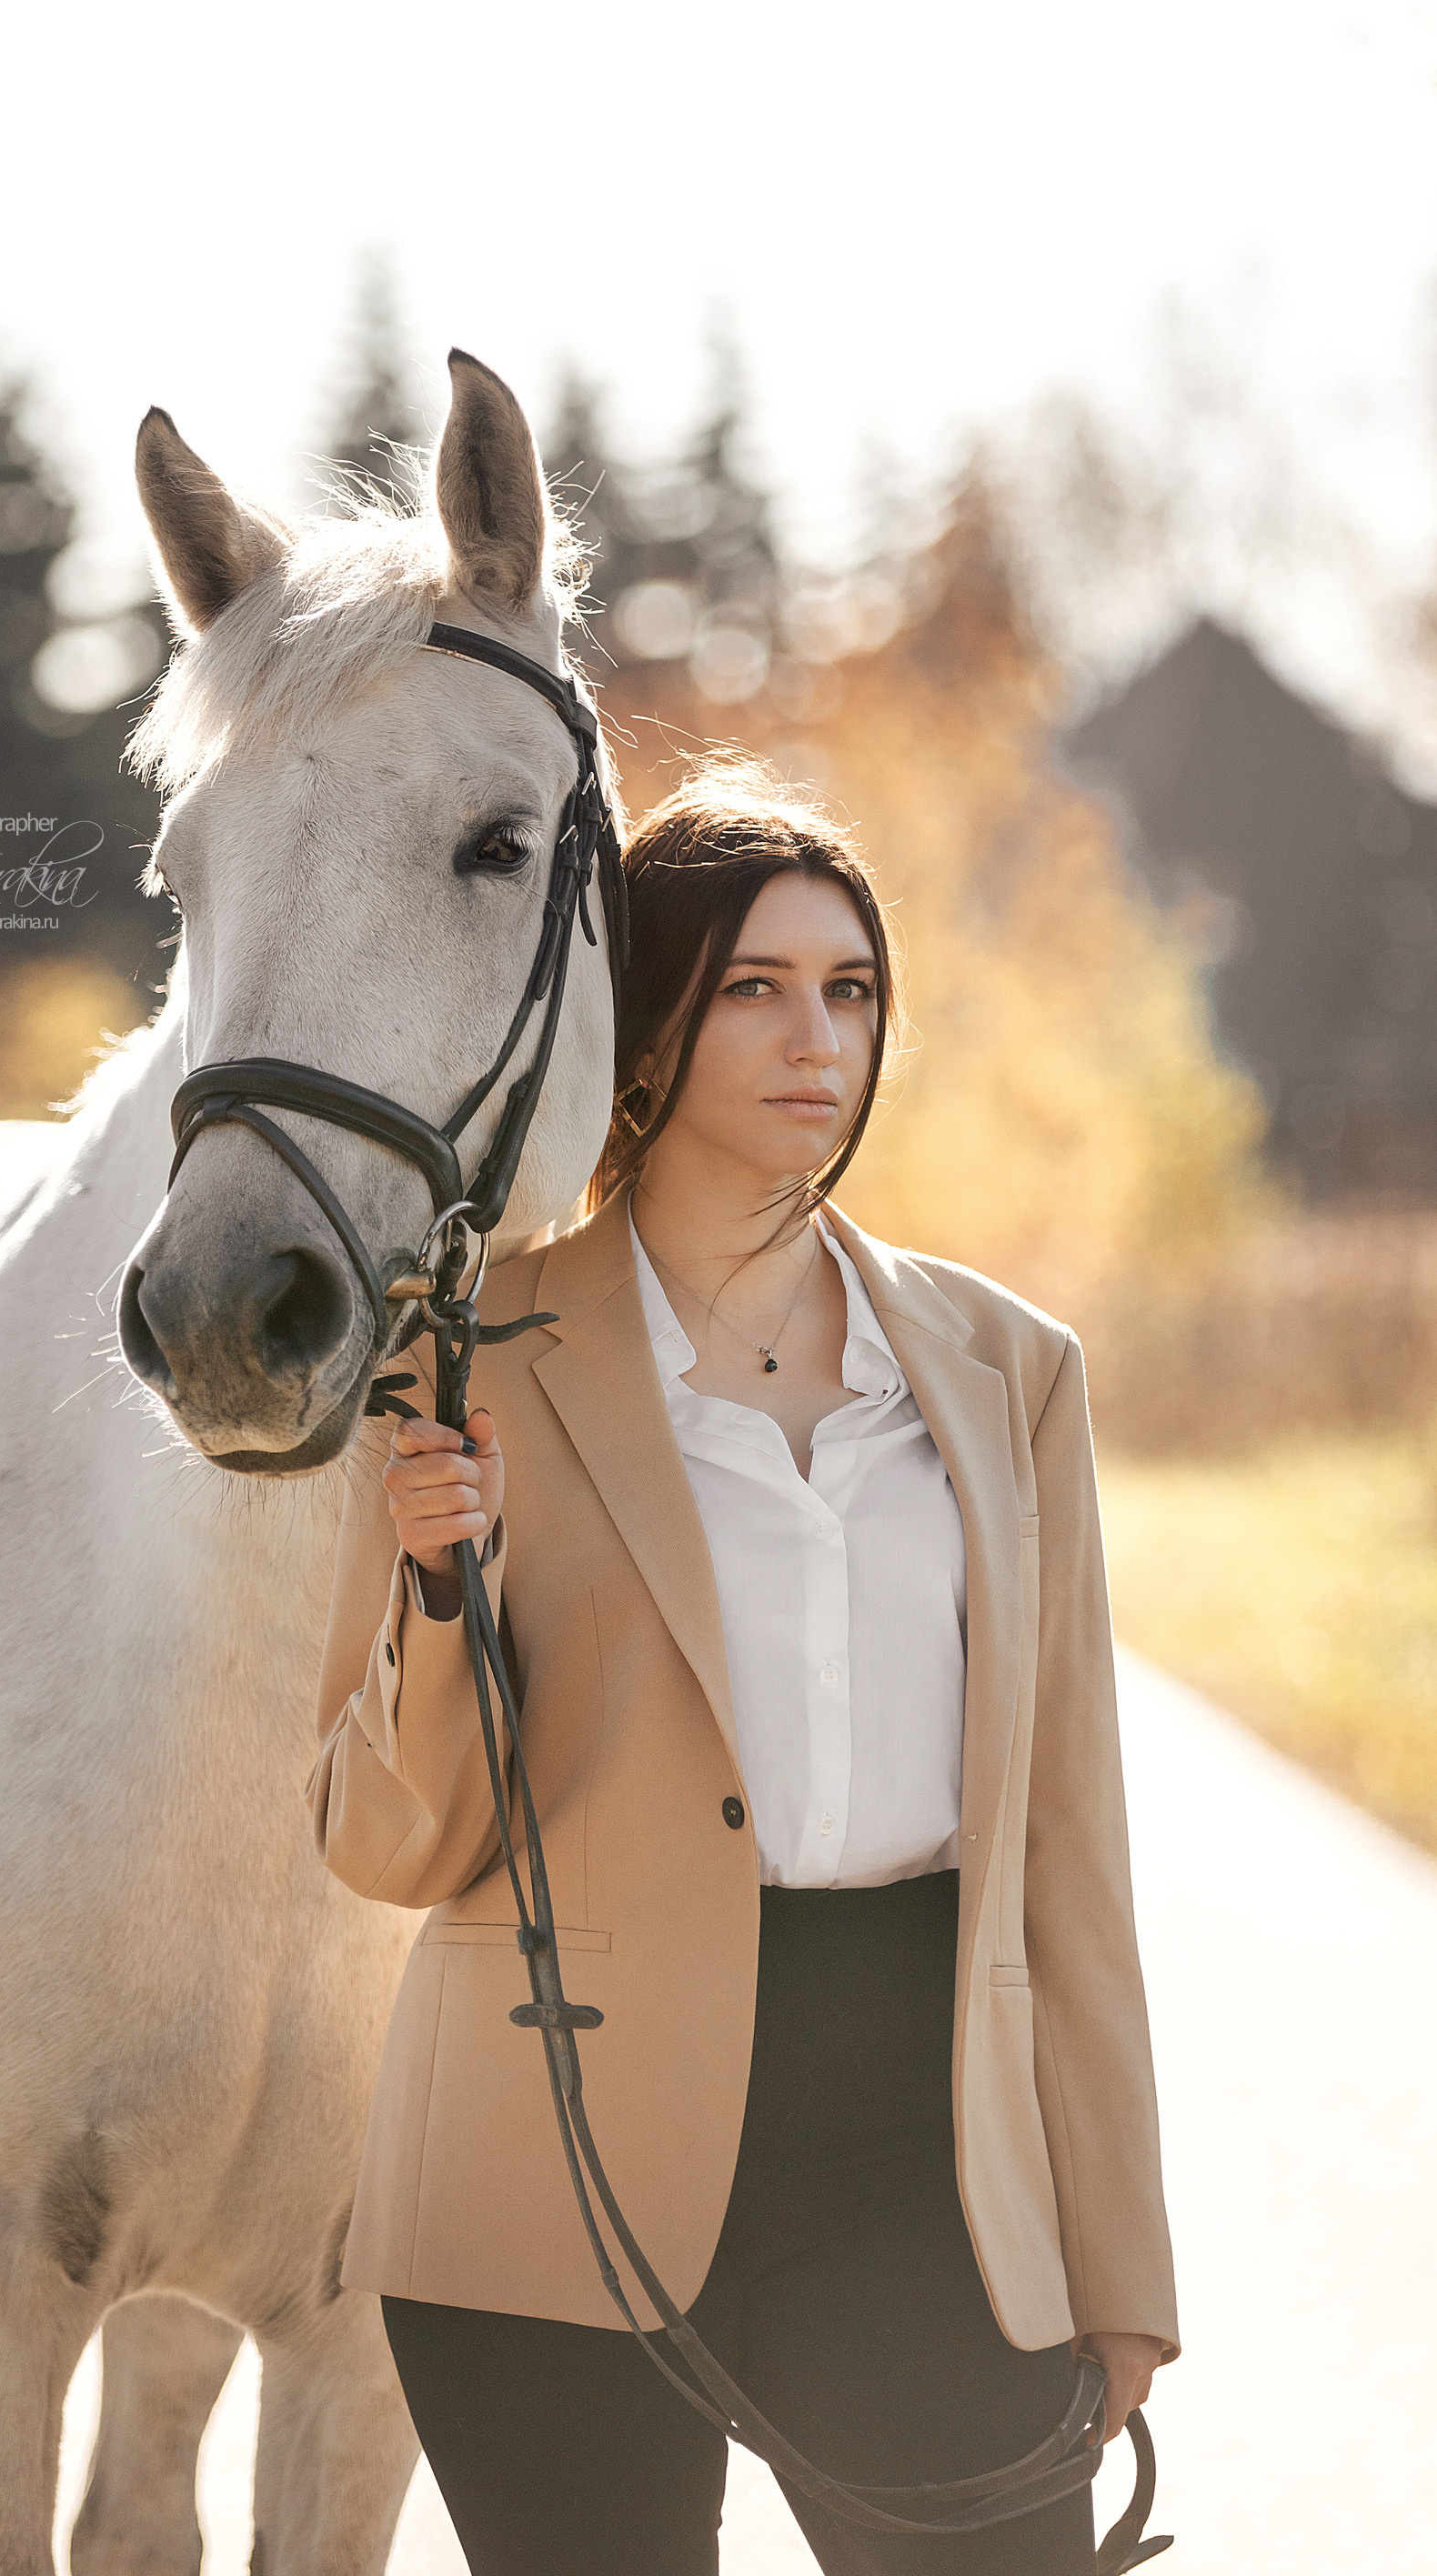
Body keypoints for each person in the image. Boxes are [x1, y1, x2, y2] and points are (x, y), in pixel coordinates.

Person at [307, 760, 1179, 2576]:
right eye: (756, 989)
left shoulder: (1010, 1370)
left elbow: (1072, 1853)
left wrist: (1119, 2258)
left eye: (849, 990)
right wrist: (439, 1585)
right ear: (645, 1029)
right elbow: (388, 1842)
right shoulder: (468, 1355)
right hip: (548, 2169)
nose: (816, 1039)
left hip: (918, 2165)